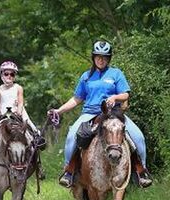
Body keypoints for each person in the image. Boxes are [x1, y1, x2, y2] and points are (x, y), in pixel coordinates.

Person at [50, 40, 152, 188]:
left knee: (138, 137)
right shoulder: (86, 76)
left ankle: (141, 172)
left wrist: (115, 97)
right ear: (93, 57)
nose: (101, 59)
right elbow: (77, 98)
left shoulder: (116, 74)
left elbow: (125, 94)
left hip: (113, 115)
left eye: (104, 57)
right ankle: (69, 172)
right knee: (72, 136)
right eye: (98, 56)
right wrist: (59, 110)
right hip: (90, 113)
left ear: (109, 58)